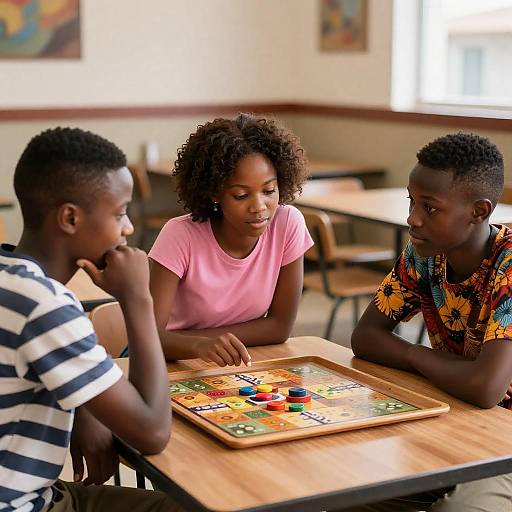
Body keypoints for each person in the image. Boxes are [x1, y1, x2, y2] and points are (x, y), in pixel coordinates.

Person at [1, 127, 182, 511]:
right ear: (70, 217)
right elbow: (153, 431)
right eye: (119, 213)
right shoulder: (45, 305)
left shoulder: (10, 276)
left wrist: (83, 404)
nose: (129, 228)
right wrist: (137, 299)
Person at [350, 132, 512, 511]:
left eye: (430, 207)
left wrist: (416, 357)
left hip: (504, 438)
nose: (412, 218)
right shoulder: (424, 255)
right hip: (460, 416)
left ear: (479, 211)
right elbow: (366, 336)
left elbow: (486, 387)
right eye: (411, 201)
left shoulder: (509, 268)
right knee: (350, 488)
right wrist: (425, 359)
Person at [149, 113, 313, 365]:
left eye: (269, 191)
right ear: (215, 192)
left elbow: (280, 327)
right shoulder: (180, 235)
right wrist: (199, 345)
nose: (259, 207)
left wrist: (213, 344)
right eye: (240, 195)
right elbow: (148, 337)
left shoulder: (287, 223)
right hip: (170, 363)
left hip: (237, 360)